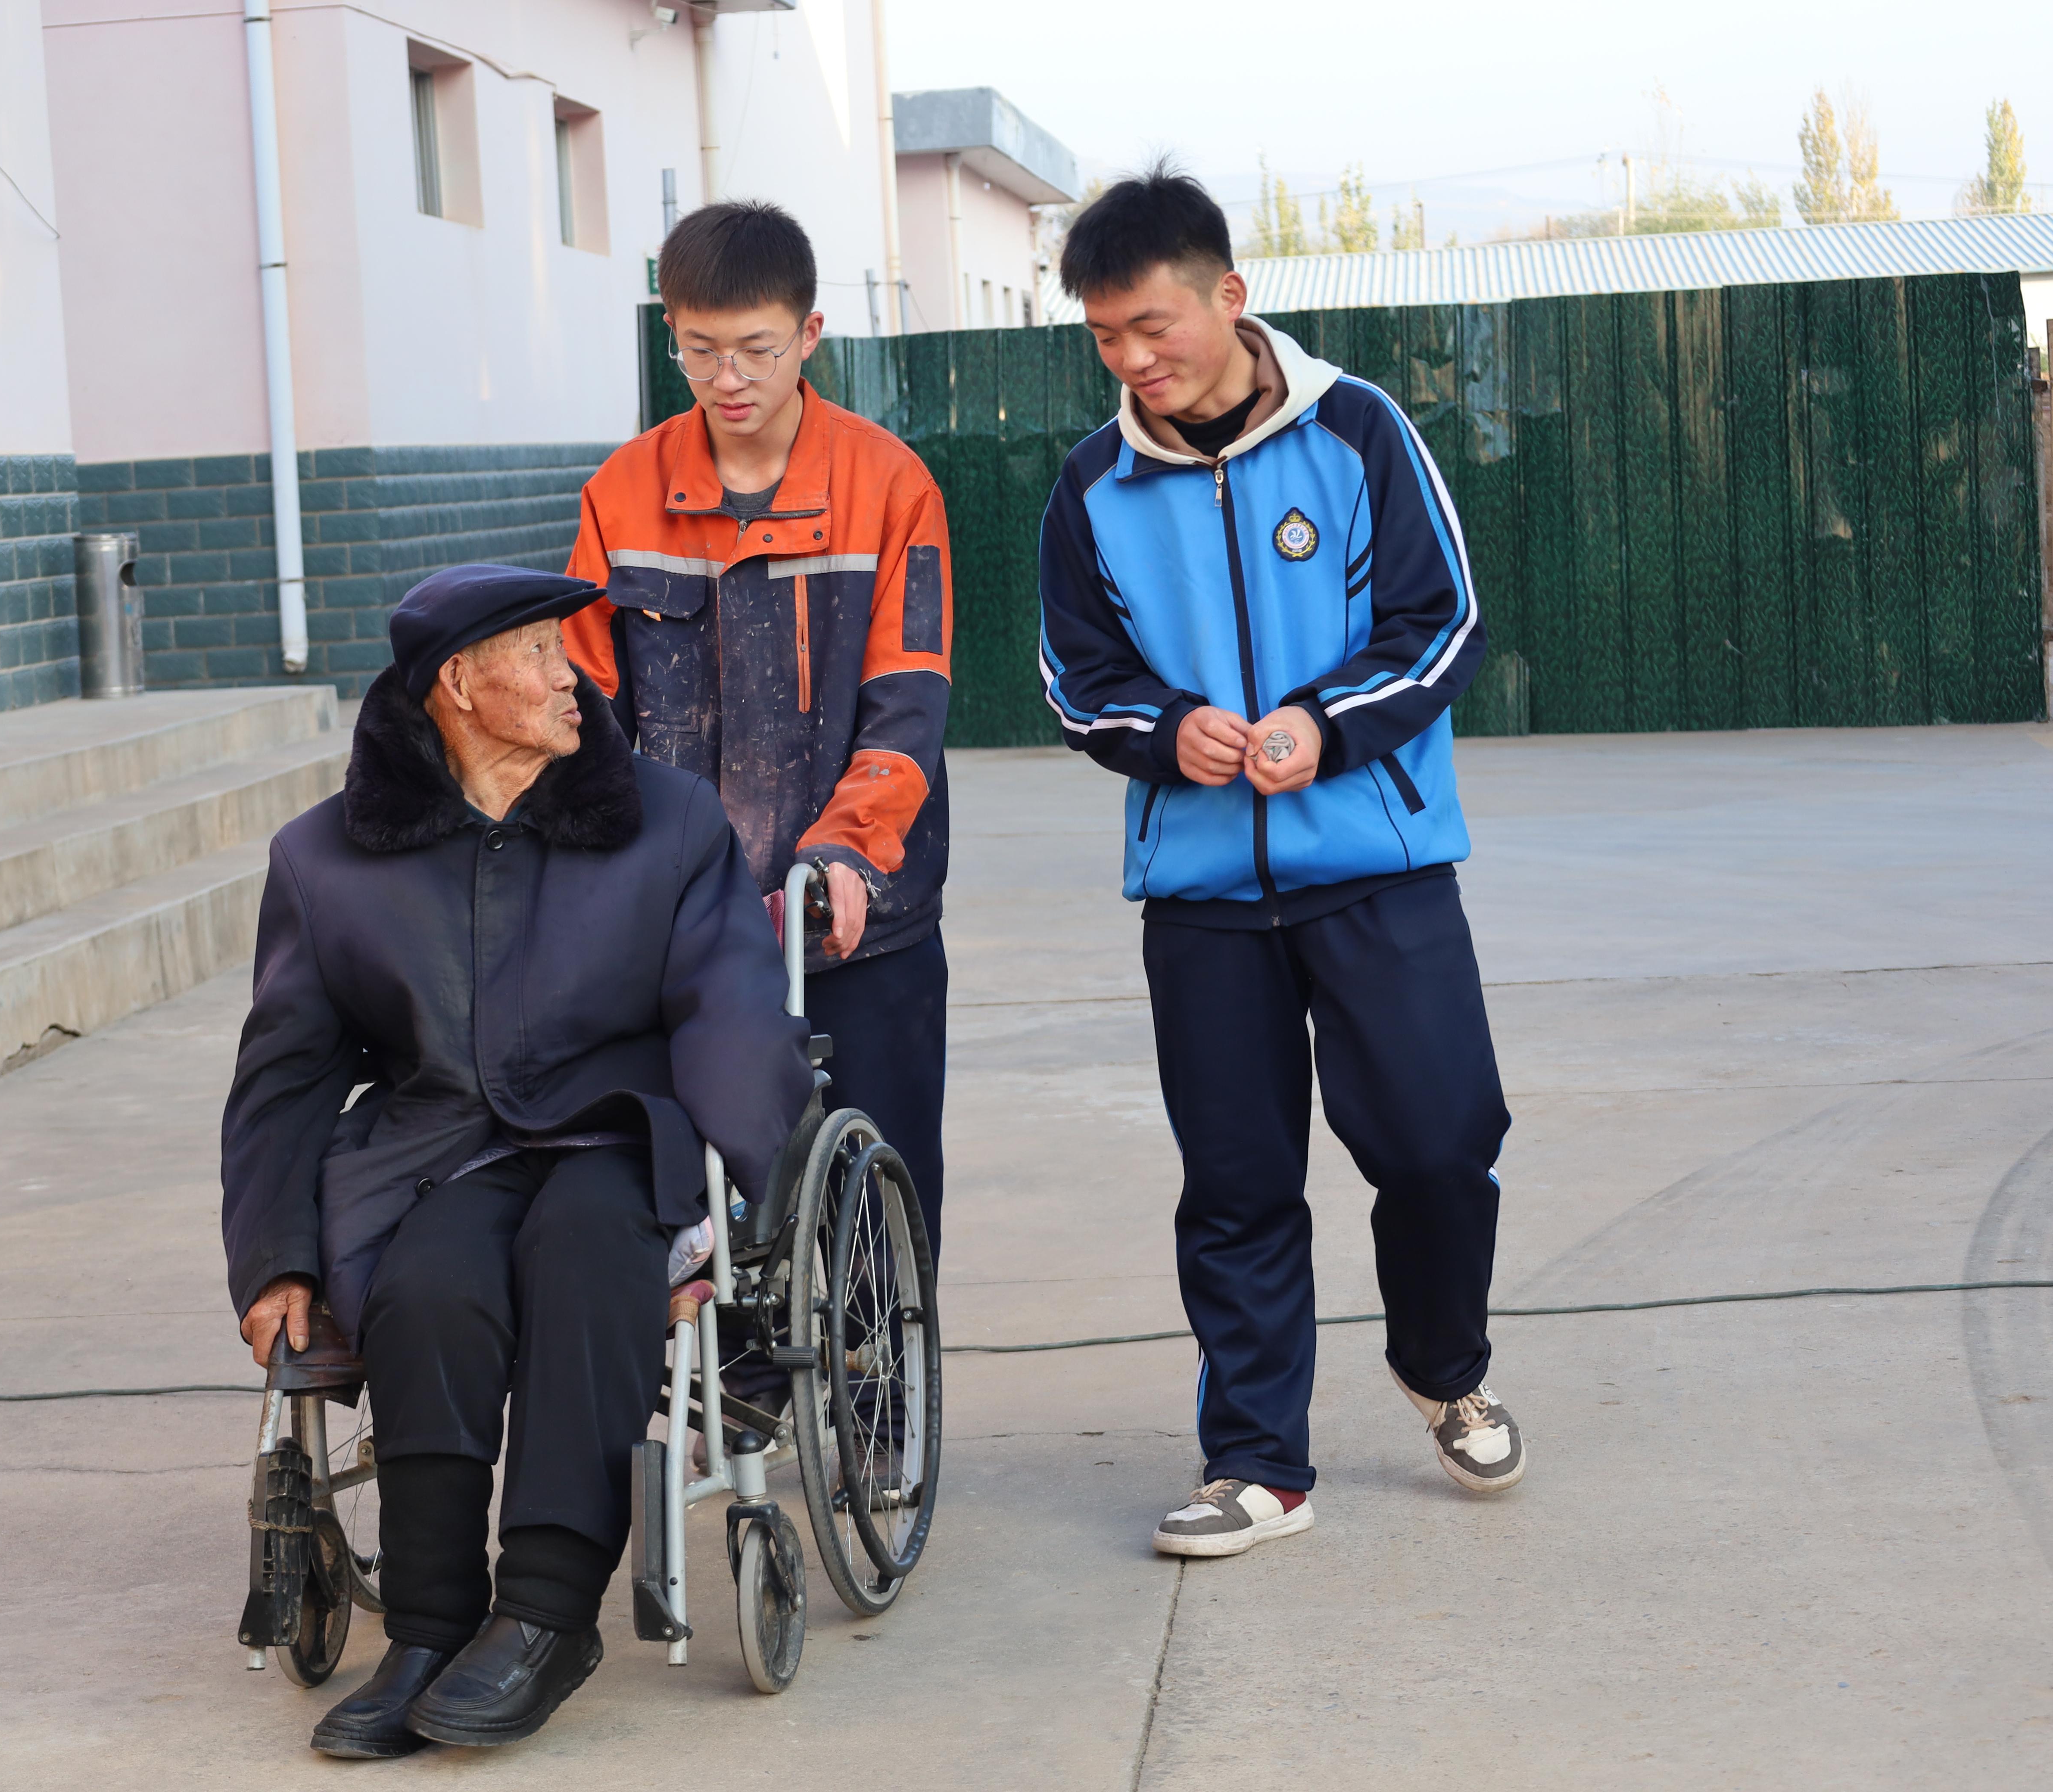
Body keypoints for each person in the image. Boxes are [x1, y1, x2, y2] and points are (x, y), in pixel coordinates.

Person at [220, 564, 811, 1756]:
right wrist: (275, 1256)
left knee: (586, 1249)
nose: (569, 676)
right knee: (429, 1285)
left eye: (564, 649)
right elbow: (286, 1074)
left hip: (619, 1131)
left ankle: (546, 1612)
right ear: (457, 684)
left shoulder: (667, 820)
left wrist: (738, 1182)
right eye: (538, 654)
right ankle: (430, 1627)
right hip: (440, 1148)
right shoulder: (327, 861)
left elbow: (735, 1006)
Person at [1034, 165, 1523, 1561]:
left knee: (1441, 1144)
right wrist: (1166, 732)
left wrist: (1324, 725)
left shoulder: (1357, 431)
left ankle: (1444, 1365)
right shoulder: (1093, 488)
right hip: (1202, 902)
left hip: (1378, 864)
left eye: (1153, 326)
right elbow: (1078, 679)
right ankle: (1257, 1462)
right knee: (1238, 1183)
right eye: (1106, 337)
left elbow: (1441, 624)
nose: (1133, 360)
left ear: (1230, 298)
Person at [563, 199, 953, 1265]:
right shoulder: (622, 494)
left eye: (756, 349)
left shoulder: (889, 485)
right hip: (681, 927)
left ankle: (876, 1367)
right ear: (672, 334)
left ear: (810, 334)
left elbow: (908, 700)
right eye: (700, 350)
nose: (728, 378)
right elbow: (583, 709)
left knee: (882, 1214)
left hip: (863, 920)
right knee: (689, 1211)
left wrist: (846, 854)